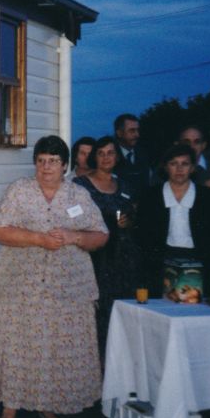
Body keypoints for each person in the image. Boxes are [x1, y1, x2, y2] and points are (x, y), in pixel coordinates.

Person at [0, 135, 108, 418]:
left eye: (53, 161)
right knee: (18, 344)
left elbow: (100, 235)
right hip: (19, 285)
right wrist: (39, 239)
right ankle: (9, 410)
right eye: (41, 161)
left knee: (53, 347)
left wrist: (74, 237)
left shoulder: (78, 196)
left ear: (65, 165)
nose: (46, 167)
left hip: (67, 288)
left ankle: (47, 406)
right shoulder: (19, 191)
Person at [74, 136, 140, 361]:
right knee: (96, 316)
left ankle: (118, 369)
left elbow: (135, 216)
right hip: (94, 259)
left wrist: (130, 221)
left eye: (110, 153)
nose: (105, 157)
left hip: (122, 259)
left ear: (117, 156)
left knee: (120, 314)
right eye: (101, 153)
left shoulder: (125, 186)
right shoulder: (80, 186)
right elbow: (73, 218)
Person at [136, 144, 210, 300]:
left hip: (198, 262)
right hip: (160, 263)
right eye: (173, 163)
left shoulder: (209, 197)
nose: (179, 169)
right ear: (165, 167)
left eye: (185, 164)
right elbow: (141, 233)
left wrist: (203, 259)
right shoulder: (150, 196)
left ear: (193, 168)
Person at [112, 113, 150, 200]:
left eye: (137, 130)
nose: (137, 135)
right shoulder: (110, 157)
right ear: (119, 133)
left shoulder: (144, 154)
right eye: (132, 131)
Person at [178, 125, 210, 191]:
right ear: (179, 144)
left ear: (203, 145)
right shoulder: (167, 169)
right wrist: (203, 189)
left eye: (196, 142)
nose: (191, 146)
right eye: (187, 142)